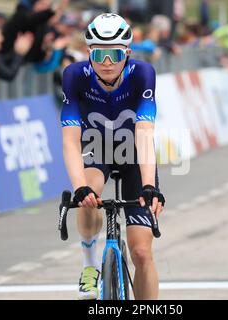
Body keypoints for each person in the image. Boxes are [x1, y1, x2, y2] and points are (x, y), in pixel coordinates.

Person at [61, 13, 165, 300]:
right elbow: (70, 140)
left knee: (141, 251)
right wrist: (78, 186)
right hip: (96, 147)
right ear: (89, 53)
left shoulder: (143, 74)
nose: (107, 62)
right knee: (88, 192)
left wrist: (149, 186)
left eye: (115, 54)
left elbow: (144, 133)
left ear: (127, 54)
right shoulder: (73, 76)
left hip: (132, 153)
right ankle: (89, 265)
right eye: (100, 54)